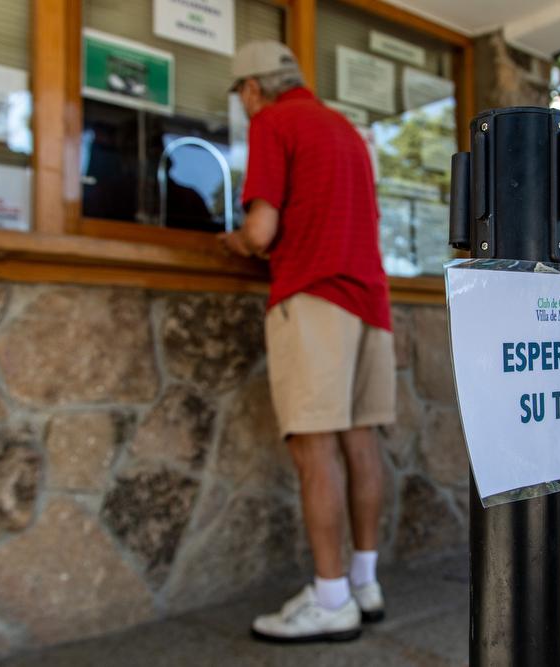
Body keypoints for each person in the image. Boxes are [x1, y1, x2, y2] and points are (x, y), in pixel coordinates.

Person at [219, 40, 395, 643]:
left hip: (315, 296)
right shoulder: (345, 130)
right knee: (360, 441)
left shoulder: (274, 121)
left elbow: (263, 230)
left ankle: (329, 599)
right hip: (371, 299)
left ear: (251, 88)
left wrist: (233, 242)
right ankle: (364, 583)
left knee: (313, 450)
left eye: (241, 96)